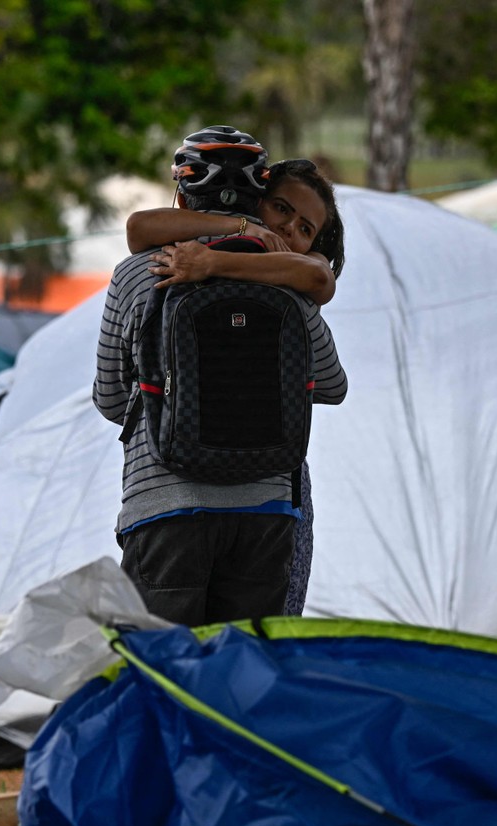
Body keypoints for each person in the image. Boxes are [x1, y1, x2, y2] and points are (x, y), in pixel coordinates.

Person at [93, 126, 347, 626]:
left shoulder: (139, 272)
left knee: (162, 672)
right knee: (240, 672)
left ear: (182, 194)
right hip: (266, 511)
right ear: (259, 198)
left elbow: (109, 398)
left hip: (165, 504)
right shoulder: (284, 275)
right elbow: (333, 385)